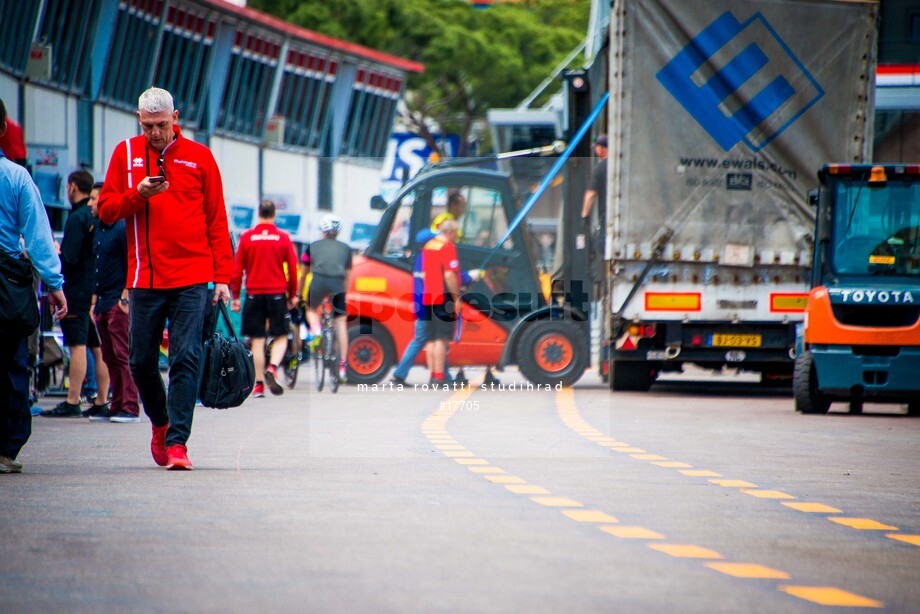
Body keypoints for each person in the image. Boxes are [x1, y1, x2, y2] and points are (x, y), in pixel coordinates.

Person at [97, 87, 233, 471]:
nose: (155, 133)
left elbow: (216, 221)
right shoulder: (124, 155)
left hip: (193, 276)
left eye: (161, 125)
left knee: (186, 357)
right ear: (139, 120)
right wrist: (137, 194)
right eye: (147, 126)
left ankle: (178, 445)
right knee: (140, 361)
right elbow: (106, 212)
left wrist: (222, 277)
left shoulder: (200, 158)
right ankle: (160, 423)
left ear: (176, 118)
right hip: (144, 277)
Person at [0, 97, 68, 473]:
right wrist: (55, 284)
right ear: (3, 130)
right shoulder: (16, 177)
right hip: (7, 286)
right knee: (12, 363)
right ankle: (7, 449)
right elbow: (39, 238)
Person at [41, 170, 111, 419]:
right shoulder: (97, 218)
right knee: (96, 346)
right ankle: (102, 399)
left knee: (77, 345)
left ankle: (73, 400)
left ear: (71, 186)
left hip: (74, 291)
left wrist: (56, 252)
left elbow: (69, 257)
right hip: (93, 288)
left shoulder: (76, 218)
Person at [390, 226, 480, 387]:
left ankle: (440, 375)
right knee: (432, 339)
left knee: (430, 339)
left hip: (422, 301)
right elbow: (448, 275)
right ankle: (401, 374)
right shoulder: (431, 254)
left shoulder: (420, 256)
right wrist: (468, 277)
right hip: (433, 301)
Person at [230, 199, 299, 397]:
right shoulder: (283, 237)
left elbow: (237, 270)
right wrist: (292, 295)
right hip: (277, 294)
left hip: (253, 294)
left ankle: (259, 386)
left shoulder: (247, 237)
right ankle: (273, 368)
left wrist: (235, 296)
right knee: (281, 336)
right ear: (274, 214)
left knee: (257, 340)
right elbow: (292, 270)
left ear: (258, 214)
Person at [90, 182, 140, 423]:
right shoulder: (100, 229)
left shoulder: (122, 228)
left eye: (94, 199)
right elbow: (96, 267)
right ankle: (116, 403)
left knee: (122, 354)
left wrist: (125, 296)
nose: (90, 204)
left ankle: (130, 406)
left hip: (117, 301)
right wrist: (93, 301)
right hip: (101, 302)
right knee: (109, 356)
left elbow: (132, 262)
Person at [301, 214, 352, 382]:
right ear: (338, 232)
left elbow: (304, 273)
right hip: (337, 284)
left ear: (322, 231)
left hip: (318, 282)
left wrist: (299, 292)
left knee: (310, 309)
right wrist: (344, 292)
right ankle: (343, 365)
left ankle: (315, 331)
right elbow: (348, 276)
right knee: (340, 322)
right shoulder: (346, 249)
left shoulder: (312, 247)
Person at [420, 219, 463, 385]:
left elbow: (424, 274)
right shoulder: (448, 247)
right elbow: (449, 275)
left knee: (430, 338)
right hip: (443, 297)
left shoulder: (429, 246)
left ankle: (432, 375)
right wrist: (456, 298)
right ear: (450, 232)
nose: (456, 237)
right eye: (456, 234)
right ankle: (440, 377)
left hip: (428, 296)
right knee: (441, 338)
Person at [580, 134, 608, 222]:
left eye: (596, 147)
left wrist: (585, 216)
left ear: (602, 148)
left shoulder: (600, 168)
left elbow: (591, 195)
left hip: (606, 218)